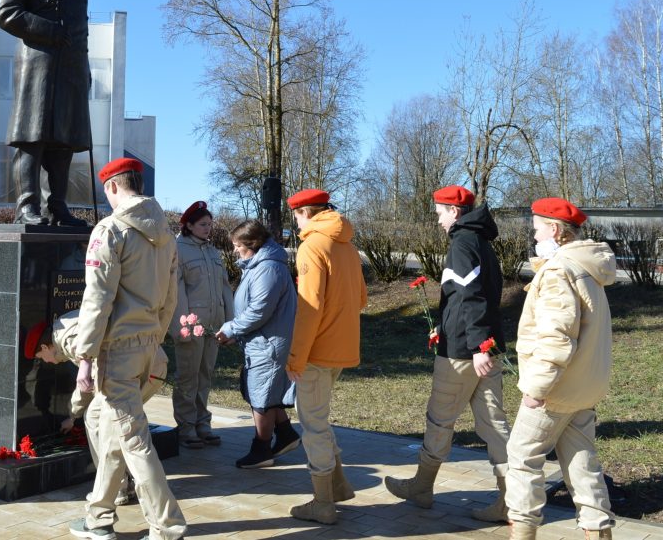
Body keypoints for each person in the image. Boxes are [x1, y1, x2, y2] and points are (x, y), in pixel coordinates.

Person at [65, 157, 187, 540]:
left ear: (112, 187)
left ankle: (167, 525)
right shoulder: (165, 233)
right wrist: (154, 335)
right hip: (148, 344)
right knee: (112, 430)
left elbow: (97, 298)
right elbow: (170, 297)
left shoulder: (111, 229)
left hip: (117, 350)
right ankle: (99, 515)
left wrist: (84, 356)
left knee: (133, 441)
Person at [385, 185, 511, 521]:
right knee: (495, 425)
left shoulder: (462, 242)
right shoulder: (480, 241)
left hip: (464, 353)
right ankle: (512, 502)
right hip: (481, 346)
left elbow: (473, 298)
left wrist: (475, 345)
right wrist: (445, 324)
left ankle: (421, 488)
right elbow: (466, 296)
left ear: (454, 211)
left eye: (440, 212)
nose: (438, 220)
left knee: (439, 420)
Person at [506, 198, 617, 540]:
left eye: (537, 228)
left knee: (523, 457)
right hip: (584, 387)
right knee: (582, 461)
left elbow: (556, 338)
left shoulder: (559, 271)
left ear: (554, 229)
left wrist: (536, 389)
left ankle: (522, 532)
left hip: (556, 390)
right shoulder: (586, 268)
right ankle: (598, 531)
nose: (535, 235)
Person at [0, 0, 92, 225]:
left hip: (72, 71)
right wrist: (51, 30)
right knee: (31, 138)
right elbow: (6, 12)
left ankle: (58, 206)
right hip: (38, 68)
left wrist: (85, 71)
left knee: (63, 142)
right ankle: (27, 207)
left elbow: (81, 34)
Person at [24, 314, 169, 507]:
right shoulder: (64, 328)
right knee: (107, 420)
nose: (46, 362)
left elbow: (88, 382)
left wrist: (72, 414)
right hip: (144, 363)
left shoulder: (70, 339)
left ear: (44, 347)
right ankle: (122, 485)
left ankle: (116, 489)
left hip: (143, 370)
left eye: (41, 357)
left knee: (97, 418)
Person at [285, 189, 367, 525]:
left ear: (303, 212)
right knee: (320, 418)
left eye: (295, 215)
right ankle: (338, 485)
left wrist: (295, 359)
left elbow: (308, 310)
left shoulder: (312, 246)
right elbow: (361, 299)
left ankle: (323, 503)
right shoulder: (346, 244)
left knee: (313, 426)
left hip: (316, 352)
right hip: (341, 348)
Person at [214, 219, 300, 469]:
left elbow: (260, 310)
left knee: (260, 396)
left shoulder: (268, 268)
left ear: (250, 244)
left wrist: (231, 328)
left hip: (269, 344)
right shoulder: (260, 266)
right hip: (263, 341)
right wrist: (237, 333)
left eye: (236, 245)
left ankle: (262, 450)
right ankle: (285, 434)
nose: (234, 250)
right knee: (267, 392)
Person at [169, 200, 234, 449]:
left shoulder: (213, 252)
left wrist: (230, 323)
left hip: (213, 323)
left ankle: (202, 423)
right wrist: (181, 326)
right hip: (191, 324)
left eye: (210, 224)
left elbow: (225, 289)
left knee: (205, 375)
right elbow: (176, 290)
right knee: (188, 376)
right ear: (189, 225)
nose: (208, 229)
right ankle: (186, 427)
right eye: (203, 224)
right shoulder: (178, 249)